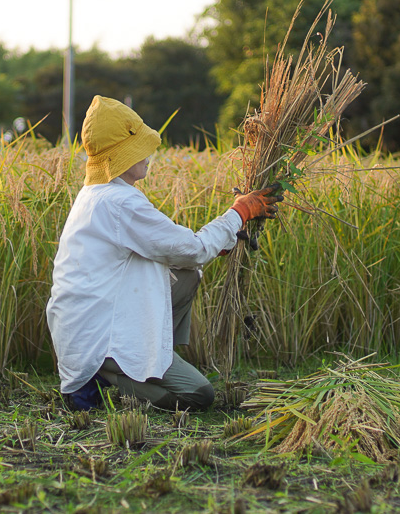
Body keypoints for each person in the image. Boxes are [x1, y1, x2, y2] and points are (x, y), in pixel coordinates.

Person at [46, 95, 281, 411]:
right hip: (97, 337)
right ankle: (108, 377)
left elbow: (177, 251)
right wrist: (239, 212)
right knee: (199, 395)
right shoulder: (120, 203)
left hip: (88, 324)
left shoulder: (98, 194)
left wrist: (225, 237)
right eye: (139, 149)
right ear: (119, 157)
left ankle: (146, 360)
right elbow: (193, 249)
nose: (149, 155)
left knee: (185, 276)